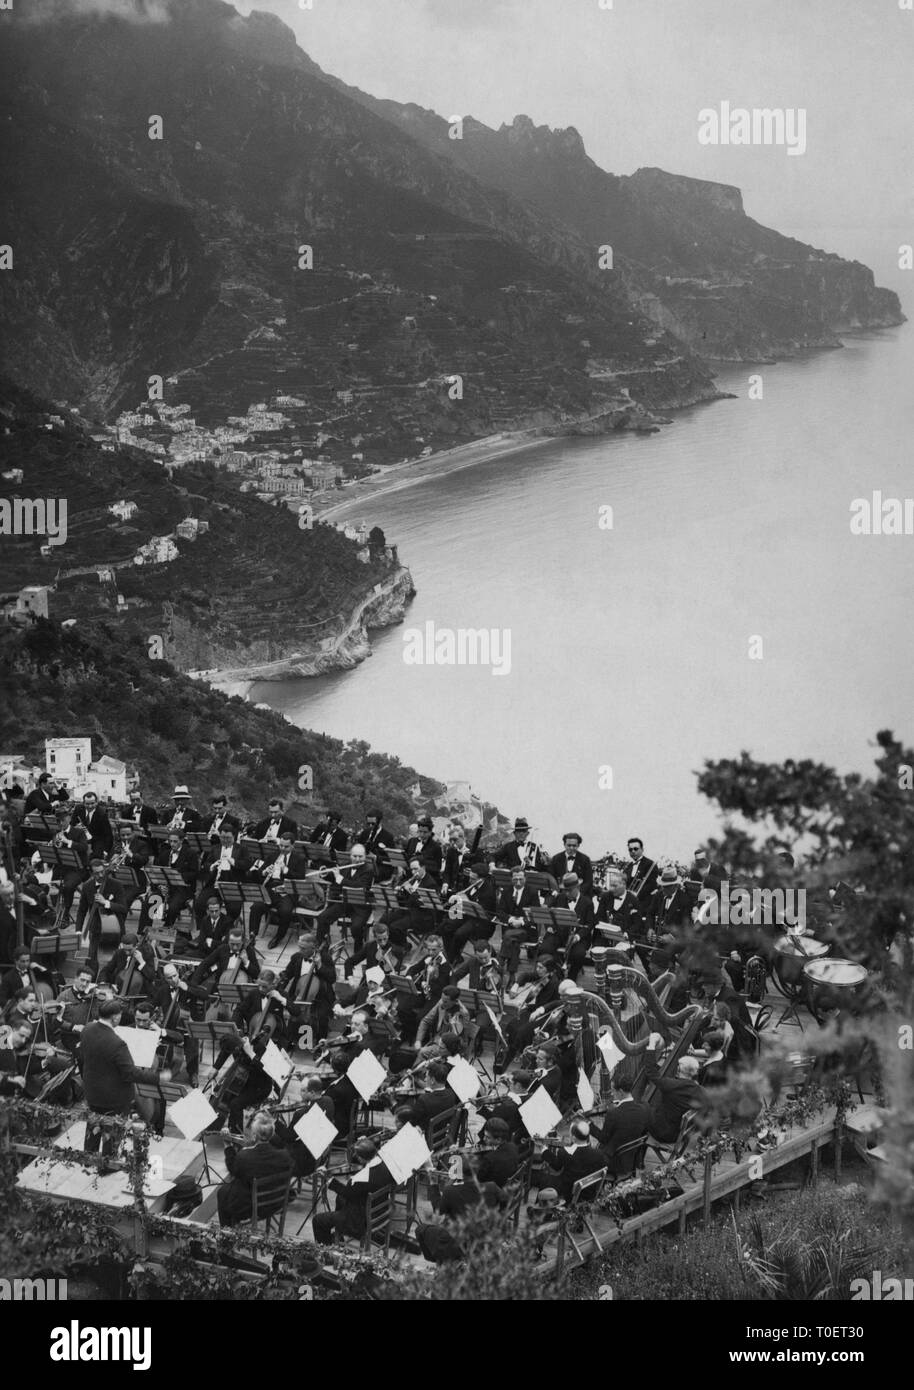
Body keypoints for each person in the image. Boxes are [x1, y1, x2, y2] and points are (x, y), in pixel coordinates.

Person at [77, 999, 164, 1153]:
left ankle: (88, 1159)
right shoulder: (117, 1043)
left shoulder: (87, 1029)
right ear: (115, 1017)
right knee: (112, 1134)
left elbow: (84, 1057)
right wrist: (158, 1077)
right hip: (114, 1098)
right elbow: (130, 1073)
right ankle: (108, 1165)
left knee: (93, 1127)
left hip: (92, 1092)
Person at [312, 1138, 394, 1245]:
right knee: (340, 1199)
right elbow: (350, 1193)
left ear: (361, 1158)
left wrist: (329, 1179)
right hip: (379, 1213)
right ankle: (339, 1233)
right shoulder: (385, 1166)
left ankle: (327, 1249)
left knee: (318, 1220)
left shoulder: (361, 1178)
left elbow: (347, 1192)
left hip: (360, 1221)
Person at [217, 1111, 293, 1227]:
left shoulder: (245, 1157)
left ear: (254, 1136)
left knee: (223, 1192)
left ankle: (226, 1232)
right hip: (277, 1202)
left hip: (255, 1206)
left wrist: (228, 1146)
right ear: (272, 1134)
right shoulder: (285, 1156)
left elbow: (233, 1170)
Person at [643, 1040, 709, 1144]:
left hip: (663, 1134)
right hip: (681, 1135)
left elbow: (650, 1072)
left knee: (643, 1107)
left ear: (678, 1069)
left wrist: (651, 1046)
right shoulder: (701, 1091)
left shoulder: (671, 1085)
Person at [596, 1084, 651, 1177]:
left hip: (614, 1161)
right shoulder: (644, 1108)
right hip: (631, 1158)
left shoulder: (613, 1113)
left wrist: (589, 1125)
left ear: (620, 1092)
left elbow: (603, 1139)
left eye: (613, 1091)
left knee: (588, 1155)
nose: (612, 1094)